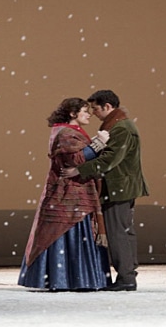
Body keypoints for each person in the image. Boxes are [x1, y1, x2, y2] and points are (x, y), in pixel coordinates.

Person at [18, 97, 112, 291]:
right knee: (65, 229)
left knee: (70, 230)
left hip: (76, 192)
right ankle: (71, 279)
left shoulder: (69, 131)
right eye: (84, 111)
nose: (89, 115)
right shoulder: (66, 133)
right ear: (72, 113)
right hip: (69, 194)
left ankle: (73, 279)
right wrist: (98, 144)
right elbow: (75, 159)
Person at [62, 90, 149, 291]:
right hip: (120, 186)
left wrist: (79, 170)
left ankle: (126, 277)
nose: (93, 113)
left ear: (107, 106)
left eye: (95, 108)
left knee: (118, 233)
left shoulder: (121, 128)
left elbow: (110, 159)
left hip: (119, 188)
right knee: (123, 232)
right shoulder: (118, 125)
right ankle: (127, 276)